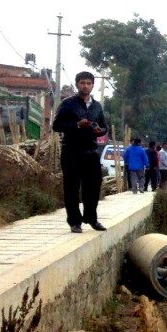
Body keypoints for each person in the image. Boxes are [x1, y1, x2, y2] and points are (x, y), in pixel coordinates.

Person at [51, 71, 108, 233]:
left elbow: (104, 128)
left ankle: (91, 218)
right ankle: (74, 222)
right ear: (77, 84)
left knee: (93, 186)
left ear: (93, 85)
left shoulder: (97, 106)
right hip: (71, 151)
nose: (86, 86)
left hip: (91, 151)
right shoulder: (68, 104)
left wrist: (99, 130)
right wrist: (77, 125)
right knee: (72, 187)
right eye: (82, 83)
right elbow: (56, 126)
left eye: (89, 83)